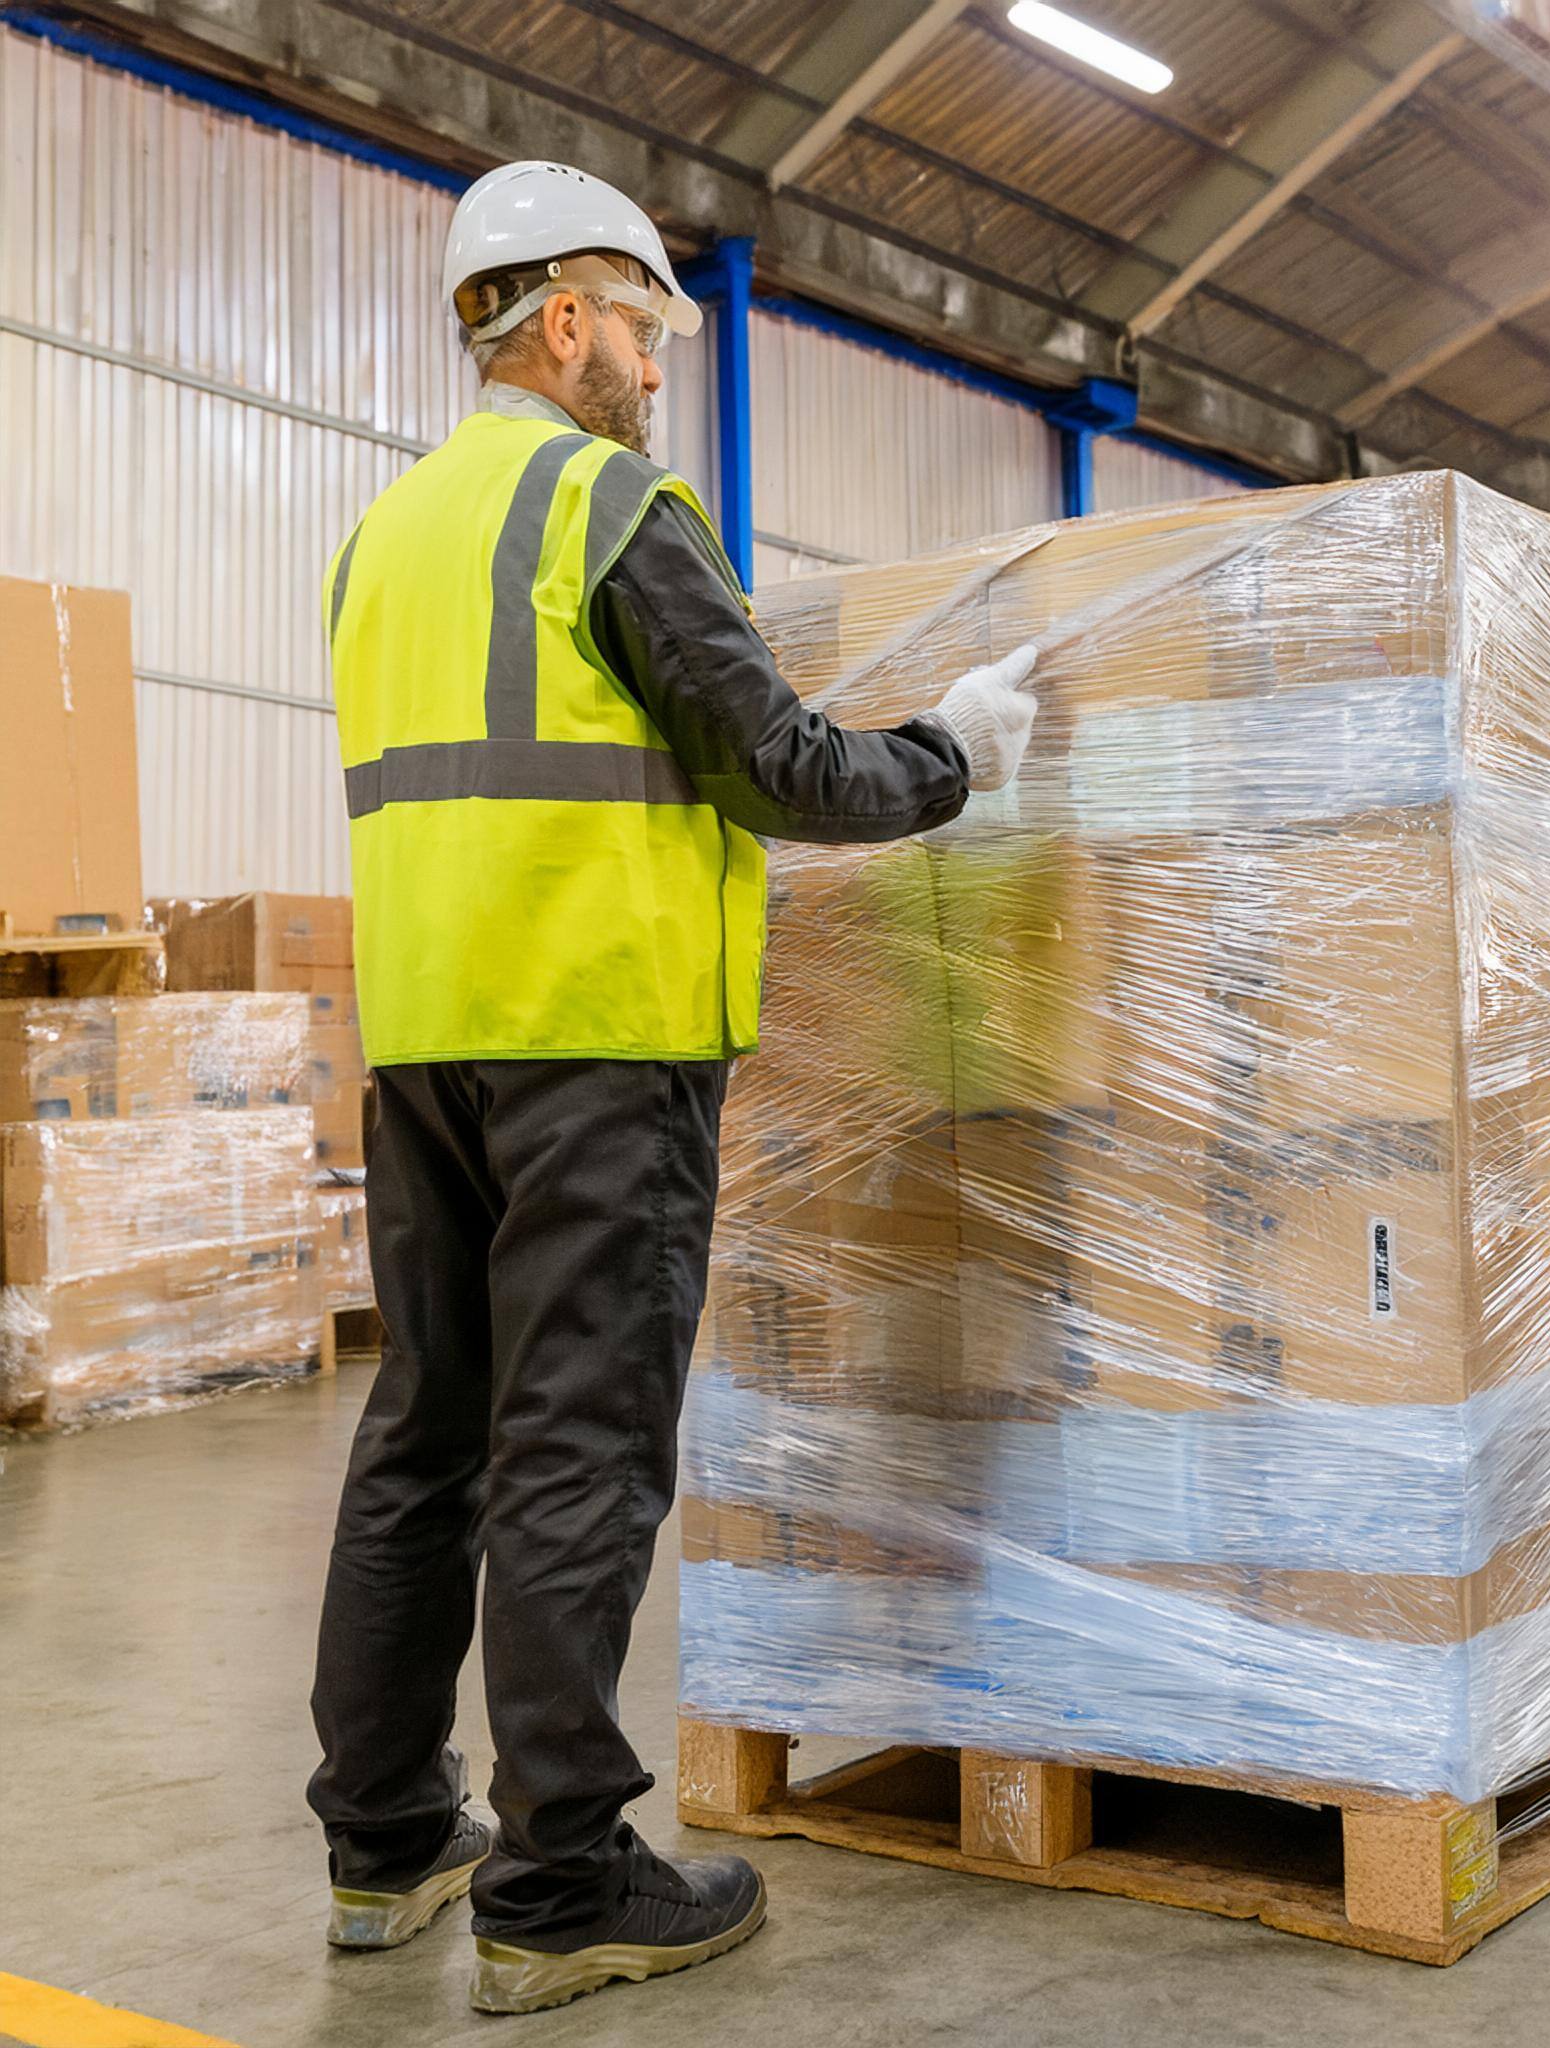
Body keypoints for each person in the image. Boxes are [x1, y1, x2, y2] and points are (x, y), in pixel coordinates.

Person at [308, 158, 1039, 2017]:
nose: (653, 364)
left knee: (427, 1435)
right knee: (579, 1449)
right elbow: (777, 764)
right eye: (642, 326)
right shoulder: (609, 504)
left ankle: (386, 1845)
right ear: (566, 317)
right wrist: (960, 755)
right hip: (599, 1047)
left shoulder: (383, 537)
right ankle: (561, 1882)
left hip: (425, 1047)